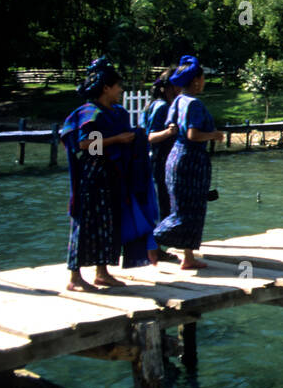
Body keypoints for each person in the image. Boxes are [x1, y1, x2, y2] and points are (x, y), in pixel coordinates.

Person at [60, 57, 159, 291]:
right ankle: (74, 277)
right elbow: (86, 145)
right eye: (118, 86)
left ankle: (102, 272)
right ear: (106, 88)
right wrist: (117, 140)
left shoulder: (114, 112)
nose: (121, 90)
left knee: (108, 224)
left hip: (112, 177)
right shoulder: (90, 113)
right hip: (93, 178)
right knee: (86, 224)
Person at [154, 55, 225, 270]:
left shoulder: (178, 101)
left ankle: (188, 257)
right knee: (189, 211)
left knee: (182, 207)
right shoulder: (194, 104)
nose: (203, 82)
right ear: (195, 80)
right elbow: (193, 134)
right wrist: (214, 135)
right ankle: (151, 238)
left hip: (175, 157)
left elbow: (174, 127)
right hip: (191, 160)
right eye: (203, 78)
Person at [143, 70, 181, 263]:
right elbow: (149, 137)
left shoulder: (157, 105)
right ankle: (154, 249)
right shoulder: (161, 107)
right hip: (160, 161)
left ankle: (156, 249)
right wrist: (168, 132)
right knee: (163, 205)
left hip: (159, 161)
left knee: (163, 205)